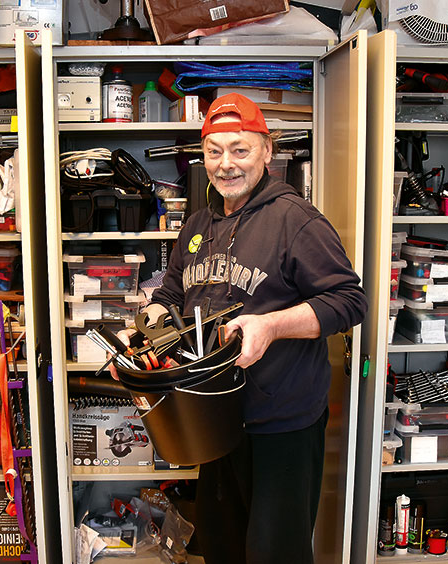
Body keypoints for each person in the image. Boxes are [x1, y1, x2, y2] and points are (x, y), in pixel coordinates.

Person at [113, 93, 367, 563]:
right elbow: (170, 298)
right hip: (213, 421)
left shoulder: (297, 221)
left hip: (281, 426)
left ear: (268, 151)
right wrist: (141, 335)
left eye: (240, 149)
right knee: (223, 548)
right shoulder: (197, 224)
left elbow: (349, 301)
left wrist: (271, 325)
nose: (225, 164)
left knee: (275, 554)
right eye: (214, 151)